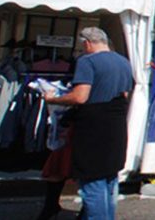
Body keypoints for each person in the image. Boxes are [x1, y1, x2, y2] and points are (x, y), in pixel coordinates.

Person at [43, 27, 132, 220]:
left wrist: (53, 99)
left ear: (87, 43)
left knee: (93, 183)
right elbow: (124, 95)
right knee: (109, 180)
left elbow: (80, 97)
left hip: (93, 129)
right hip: (116, 127)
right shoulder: (124, 62)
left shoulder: (87, 61)